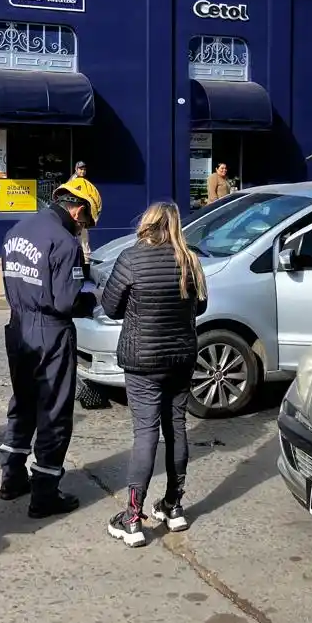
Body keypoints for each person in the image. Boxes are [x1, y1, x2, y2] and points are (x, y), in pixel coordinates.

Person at [100, 201, 207, 547]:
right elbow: (201, 305)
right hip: (181, 358)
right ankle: (173, 507)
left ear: (147, 223)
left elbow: (111, 307)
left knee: (145, 434)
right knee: (176, 427)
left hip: (143, 362)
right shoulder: (189, 259)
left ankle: (132, 518)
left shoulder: (131, 258)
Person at [0, 175, 101, 518]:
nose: (83, 228)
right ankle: (44, 493)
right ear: (78, 211)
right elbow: (65, 302)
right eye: (86, 221)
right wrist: (95, 299)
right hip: (50, 331)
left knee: (22, 403)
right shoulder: (64, 242)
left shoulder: (16, 231)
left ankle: (11, 477)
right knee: (54, 411)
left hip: (18, 326)